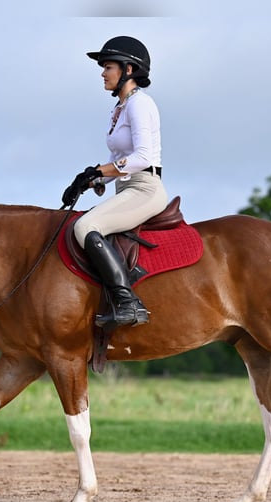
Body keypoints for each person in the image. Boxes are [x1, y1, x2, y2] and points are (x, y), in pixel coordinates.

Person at [62, 35, 168, 329]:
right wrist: (95, 181)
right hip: (127, 186)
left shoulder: (140, 104)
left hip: (145, 188)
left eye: (108, 66)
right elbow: (118, 159)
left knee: (85, 227)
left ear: (129, 70)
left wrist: (101, 170)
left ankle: (128, 304)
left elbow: (143, 157)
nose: (102, 72)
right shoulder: (119, 109)